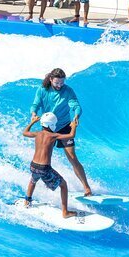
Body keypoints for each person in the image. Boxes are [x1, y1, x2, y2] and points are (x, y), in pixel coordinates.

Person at [30, 68, 92, 196]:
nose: (59, 85)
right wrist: (34, 113)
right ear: (51, 80)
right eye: (57, 83)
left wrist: (76, 116)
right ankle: (35, 192)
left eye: (61, 82)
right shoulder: (43, 90)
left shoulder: (68, 90)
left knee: (72, 157)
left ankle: (86, 187)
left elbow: (76, 106)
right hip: (48, 127)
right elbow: (36, 104)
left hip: (64, 126)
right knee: (44, 160)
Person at [22, 112, 77, 218]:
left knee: (33, 181)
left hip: (33, 166)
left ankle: (27, 201)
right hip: (44, 168)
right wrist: (73, 126)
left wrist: (32, 122)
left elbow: (25, 132)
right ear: (52, 125)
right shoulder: (54, 135)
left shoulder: (37, 134)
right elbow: (71, 135)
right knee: (63, 185)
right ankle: (65, 212)